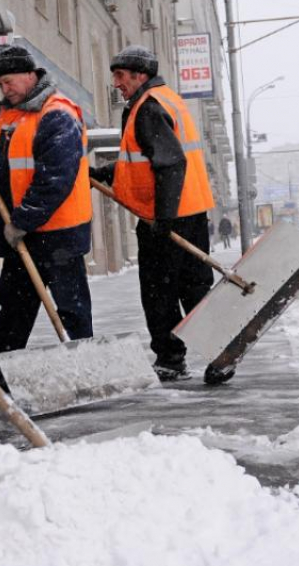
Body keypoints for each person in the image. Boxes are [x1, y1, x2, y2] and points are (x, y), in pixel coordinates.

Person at [0, 44, 93, 391]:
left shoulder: (56, 114)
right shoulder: (12, 111)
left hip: (58, 231)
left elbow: (54, 181)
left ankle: (87, 363)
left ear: (31, 75)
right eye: (0, 84)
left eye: (9, 81)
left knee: (70, 305)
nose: (5, 89)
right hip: (24, 230)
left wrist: (23, 220)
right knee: (15, 303)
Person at [91, 45, 215, 381]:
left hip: (167, 217)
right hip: (190, 211)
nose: (116, 83)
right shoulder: (166, 99)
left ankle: (171, 359)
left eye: (120, 76)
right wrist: (107, 173)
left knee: (159, 291)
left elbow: (171, 163)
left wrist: (163, 218)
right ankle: (222, 349)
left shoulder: (148, 108)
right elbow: (146, 162)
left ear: (139, 75)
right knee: (194, 288)